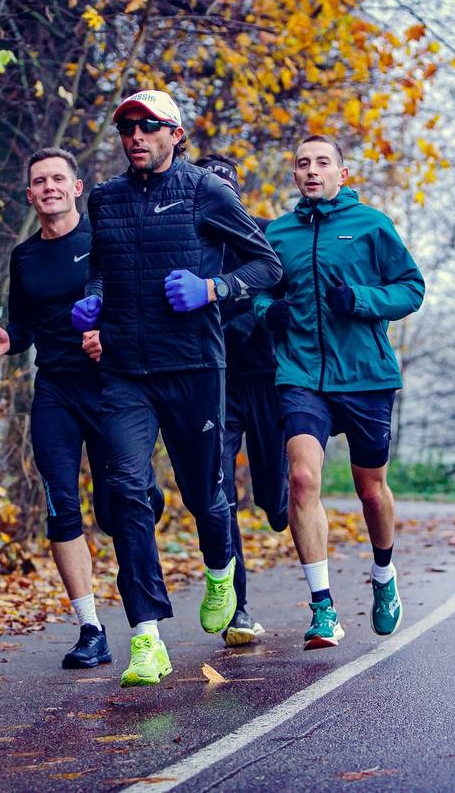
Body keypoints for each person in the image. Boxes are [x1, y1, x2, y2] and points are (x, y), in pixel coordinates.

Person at [71, 89, 282, 687]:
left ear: (175, 134)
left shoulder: (205, 191)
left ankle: (220, 569)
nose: (134, 136)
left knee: (205, 496)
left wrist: (212, 290)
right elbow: (101, 269)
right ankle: (147, 638)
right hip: (125, 373)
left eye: (147, 126)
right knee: (125, 494)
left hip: (193, 366)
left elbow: (267, 267)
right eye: (126, 128)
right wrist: (93, 299)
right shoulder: (105, 200)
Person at [0, 147, 163, 670]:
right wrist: (5, 338)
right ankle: (91, 628)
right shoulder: (25, 256)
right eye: (39, 181)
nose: (49, 188)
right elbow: (24, 324)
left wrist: (112, 337)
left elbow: (139, 310)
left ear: (77, 188)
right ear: (30, 193)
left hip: (110, 388)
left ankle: (143, 497)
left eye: (58, 179)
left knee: (116, 510)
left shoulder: (103, 242)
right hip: (56, 391)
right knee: (61, 506)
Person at [253, 134, 424, 650]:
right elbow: (261, 290)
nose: (312, 171)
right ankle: (322, 608)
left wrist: (363, 299)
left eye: (322, 163)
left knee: (371, 490)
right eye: (303, 164)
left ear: (341, 174)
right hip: (302, 374)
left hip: (366, 375)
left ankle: (383, 573)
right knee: (302, 479)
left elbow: (411, 289)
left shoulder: (371, 225)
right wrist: (269, 312)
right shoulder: (278, 233)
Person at [194, 154, 289, 648]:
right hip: (217, 386)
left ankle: (278, 504)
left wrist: (243, 321)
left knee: (274, 496)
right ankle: (239, 608)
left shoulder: (264, 233)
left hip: (267, 378)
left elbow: (279, 291)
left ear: (236, 191)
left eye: (224, 186)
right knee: (220, 493)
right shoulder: (188, 243)